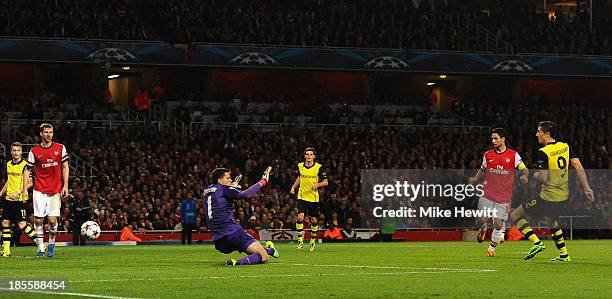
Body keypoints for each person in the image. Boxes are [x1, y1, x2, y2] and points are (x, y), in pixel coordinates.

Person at [510, 121, 595, 261]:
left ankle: (536, 243)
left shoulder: (543, 152)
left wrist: (530, 174)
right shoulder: (565, 147)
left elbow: (543, 177)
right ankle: (564, 254)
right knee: (552, 221)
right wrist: (587, 188)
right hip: (563, 196)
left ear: (547, 134)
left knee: (515, 215)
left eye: (539, 132)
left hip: (548, 198)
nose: (537, 134)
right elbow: (578, 166)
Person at [469, 128, 529, 257]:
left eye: (496, 138)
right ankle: (483, 227)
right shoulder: (488, 155)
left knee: (498, 223)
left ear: (503, 139)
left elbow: (524, 169)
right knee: (480, 219)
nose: (493, 141)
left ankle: (491, 248)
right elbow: (482, 169)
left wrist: (525, 175)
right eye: (492, 138)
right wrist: (475, 178)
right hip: (487, 193)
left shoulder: (514, 155)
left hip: (503, 197)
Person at [204, 167, 279, 266]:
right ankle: (237, 262)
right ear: (220, 181)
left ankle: (270, 250)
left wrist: (232, 187)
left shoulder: (207, 191)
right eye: (228, 178)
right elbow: (246, 194)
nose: (231, 180)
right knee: (264, 257)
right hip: (233, 233)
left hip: (219, 241)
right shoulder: (224, 189)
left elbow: (220, 198)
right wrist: (263, 181)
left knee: (253, 250)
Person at [22, 123, 70, 257]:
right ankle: (40, 248)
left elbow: (65, 167)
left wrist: (65, 185)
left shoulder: (60, 148)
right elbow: (27, 169)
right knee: (38, 220)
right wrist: (25, 189)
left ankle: (52, 243)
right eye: (46, 132)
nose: (49, 134)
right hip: (39, 189)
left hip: (55, 190)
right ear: (41, 134)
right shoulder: (34, 151)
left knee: (53, 221)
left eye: (51, 132)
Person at [0, 142, 40, 257]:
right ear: (11, 152)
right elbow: (9, 181)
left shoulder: (26, 165)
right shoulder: (8, 164)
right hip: (8, 199)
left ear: (21, 152)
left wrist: (18, 192)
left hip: (20, 199)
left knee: (22, 225)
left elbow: (31, 182)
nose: (16, 153)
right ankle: (6, 251)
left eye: (18, 150)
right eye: (14, 150)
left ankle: (40, 244)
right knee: (5, 222)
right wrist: (1, 192)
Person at [290, 147, 328, 252]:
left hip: (313, 198)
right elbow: (300, 177)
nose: (309, 156)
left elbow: (326, 182)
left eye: (311, 154)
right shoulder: (300, 166)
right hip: (302, 196)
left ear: (314, 156)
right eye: (307, 154)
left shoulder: (318, 167)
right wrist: (293, 187)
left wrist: (318, 184)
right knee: (300, 217)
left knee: (313, 220)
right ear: (304, 156)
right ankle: (300, 240)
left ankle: (312, 241)